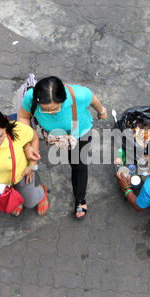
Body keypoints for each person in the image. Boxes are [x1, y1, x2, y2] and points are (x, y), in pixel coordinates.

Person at [17, 76, 107, 220]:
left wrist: (102, 112)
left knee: (78, 165)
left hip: (78, 132)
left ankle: (80, 199)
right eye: (45, 110)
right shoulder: (30, 97)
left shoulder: (79, 94)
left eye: (55, 108)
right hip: (53, 136)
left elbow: (93, 100)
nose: (52, 112)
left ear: (64, 99)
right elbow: (23, 116)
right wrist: (27, 144)